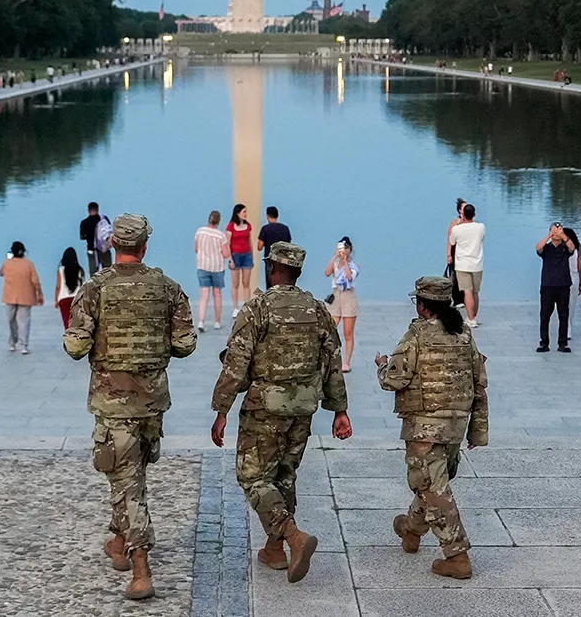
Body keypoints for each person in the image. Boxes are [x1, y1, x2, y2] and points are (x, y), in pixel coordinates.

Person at [65, 213, 196, 600]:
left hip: (112, 402)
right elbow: (186, 344)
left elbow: (75, 347)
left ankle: (141, 569)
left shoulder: (95, 288)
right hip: (152, 402)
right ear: (143, 246)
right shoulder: (167, 288)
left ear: (112, 246)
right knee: (131, 475)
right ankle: (119, 542)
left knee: (127, 482)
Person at [211, 242, 351, 585]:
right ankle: (274, 550)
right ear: (298, 273)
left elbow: (236, 363)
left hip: (264, 407)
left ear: (272, 269)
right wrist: (340, 411)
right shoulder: (318, 310)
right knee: (285, 475)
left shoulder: (256, 308)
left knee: (253, 477)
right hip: (303, 408)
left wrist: (221, 410)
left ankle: (292, 536)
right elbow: (333, 362)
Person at [376, 276, 488, 580]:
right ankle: (411, 530)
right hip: (455, 424)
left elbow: (393, 380)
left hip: (425, 426)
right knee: (430, 482)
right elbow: (479, 380)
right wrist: (477, 430)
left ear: (423, 306)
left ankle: (457, 555)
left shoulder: (417, 334)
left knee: (432, 486)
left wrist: (381, 365)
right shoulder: (463, 333)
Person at [535, 222, 575, 353]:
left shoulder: (565, 247)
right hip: (548, 285)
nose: (556, 232)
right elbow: (538, 248)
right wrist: (549, 236)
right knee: (545, 315)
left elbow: (572, 248)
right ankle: (544, 343)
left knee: (563, 315)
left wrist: (563, 235)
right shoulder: (546, 248)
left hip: (563, 285)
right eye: (554, 230)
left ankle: (562, 343)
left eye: (558, 230)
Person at [0, 241, 44, 354]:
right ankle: (24, 345)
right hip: (26, 296)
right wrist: (39, 294)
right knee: (23, 322)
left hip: (9, 296)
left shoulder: (6, 263)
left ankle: (12, 343)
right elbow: (35, 281)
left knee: (11, 321)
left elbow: (1, 273)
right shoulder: (29, 264)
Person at [324, 236, 360, 372]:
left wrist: (345, 262)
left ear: (350, 250)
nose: (343, 251)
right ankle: (330, 359)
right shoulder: (335, 263)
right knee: (331, 328)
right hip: (336, 296)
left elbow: (350, 277)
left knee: (348, 332)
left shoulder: (354, 265)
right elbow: (327, 273)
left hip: (348, 297)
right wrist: (335, 257)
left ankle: (347, 362)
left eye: (345, 248)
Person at [448, 203, 485, 327]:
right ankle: (473, 316)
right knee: (475, 292)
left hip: (462, 264)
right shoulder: (480, 227)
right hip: (477, 264)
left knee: (467, 292)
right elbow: (482, 238)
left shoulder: (457, 229)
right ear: (474, 215)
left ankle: (470, 319)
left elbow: (452, 241)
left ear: (462, 214)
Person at [194, 210, 230, 332]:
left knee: (204, 295)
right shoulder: (220, 236)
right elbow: (226, 253)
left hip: (202, 265)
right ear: (218, 221)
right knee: (217, 294)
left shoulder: (200, 232)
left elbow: (196, 248)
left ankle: (201, 321)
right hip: (217, 267)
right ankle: (217, 322)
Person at [226, 204, 255, 310]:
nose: (245, 214)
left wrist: (252, 256)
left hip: (246, 255)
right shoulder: (230, 226)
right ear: (238, 213)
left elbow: (250, 242)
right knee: (235, 283)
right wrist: (230, 259)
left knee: (246, 282)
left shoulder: (248, 226)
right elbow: (227, 244)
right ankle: (235, 308)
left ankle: (246, 306)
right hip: (235, 256)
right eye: (244, 212)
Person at [256, 206, 291, 286]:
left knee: (270, 284)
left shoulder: (265, 229)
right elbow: (289, 245)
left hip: (270, 260)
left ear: (267, 216)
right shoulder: (285, 229)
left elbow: (259, 247)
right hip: (283, 260)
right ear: (277, 215)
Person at [80, 202, 114, 277]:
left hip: (92, 250)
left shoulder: (84, 223)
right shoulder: (104, 219)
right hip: (105, 249)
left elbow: (82, 237)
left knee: (93, 274)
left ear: (88, 210)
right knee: (108, 272)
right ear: (97, 209)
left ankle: (95, 288)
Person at [55, 246, 85, 329]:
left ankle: (69, 340)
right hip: (77, 299)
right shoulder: (80, 270)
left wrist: (56, 300)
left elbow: (58, 286)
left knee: (67, 324)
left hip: (64, 300)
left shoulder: (61, 270)